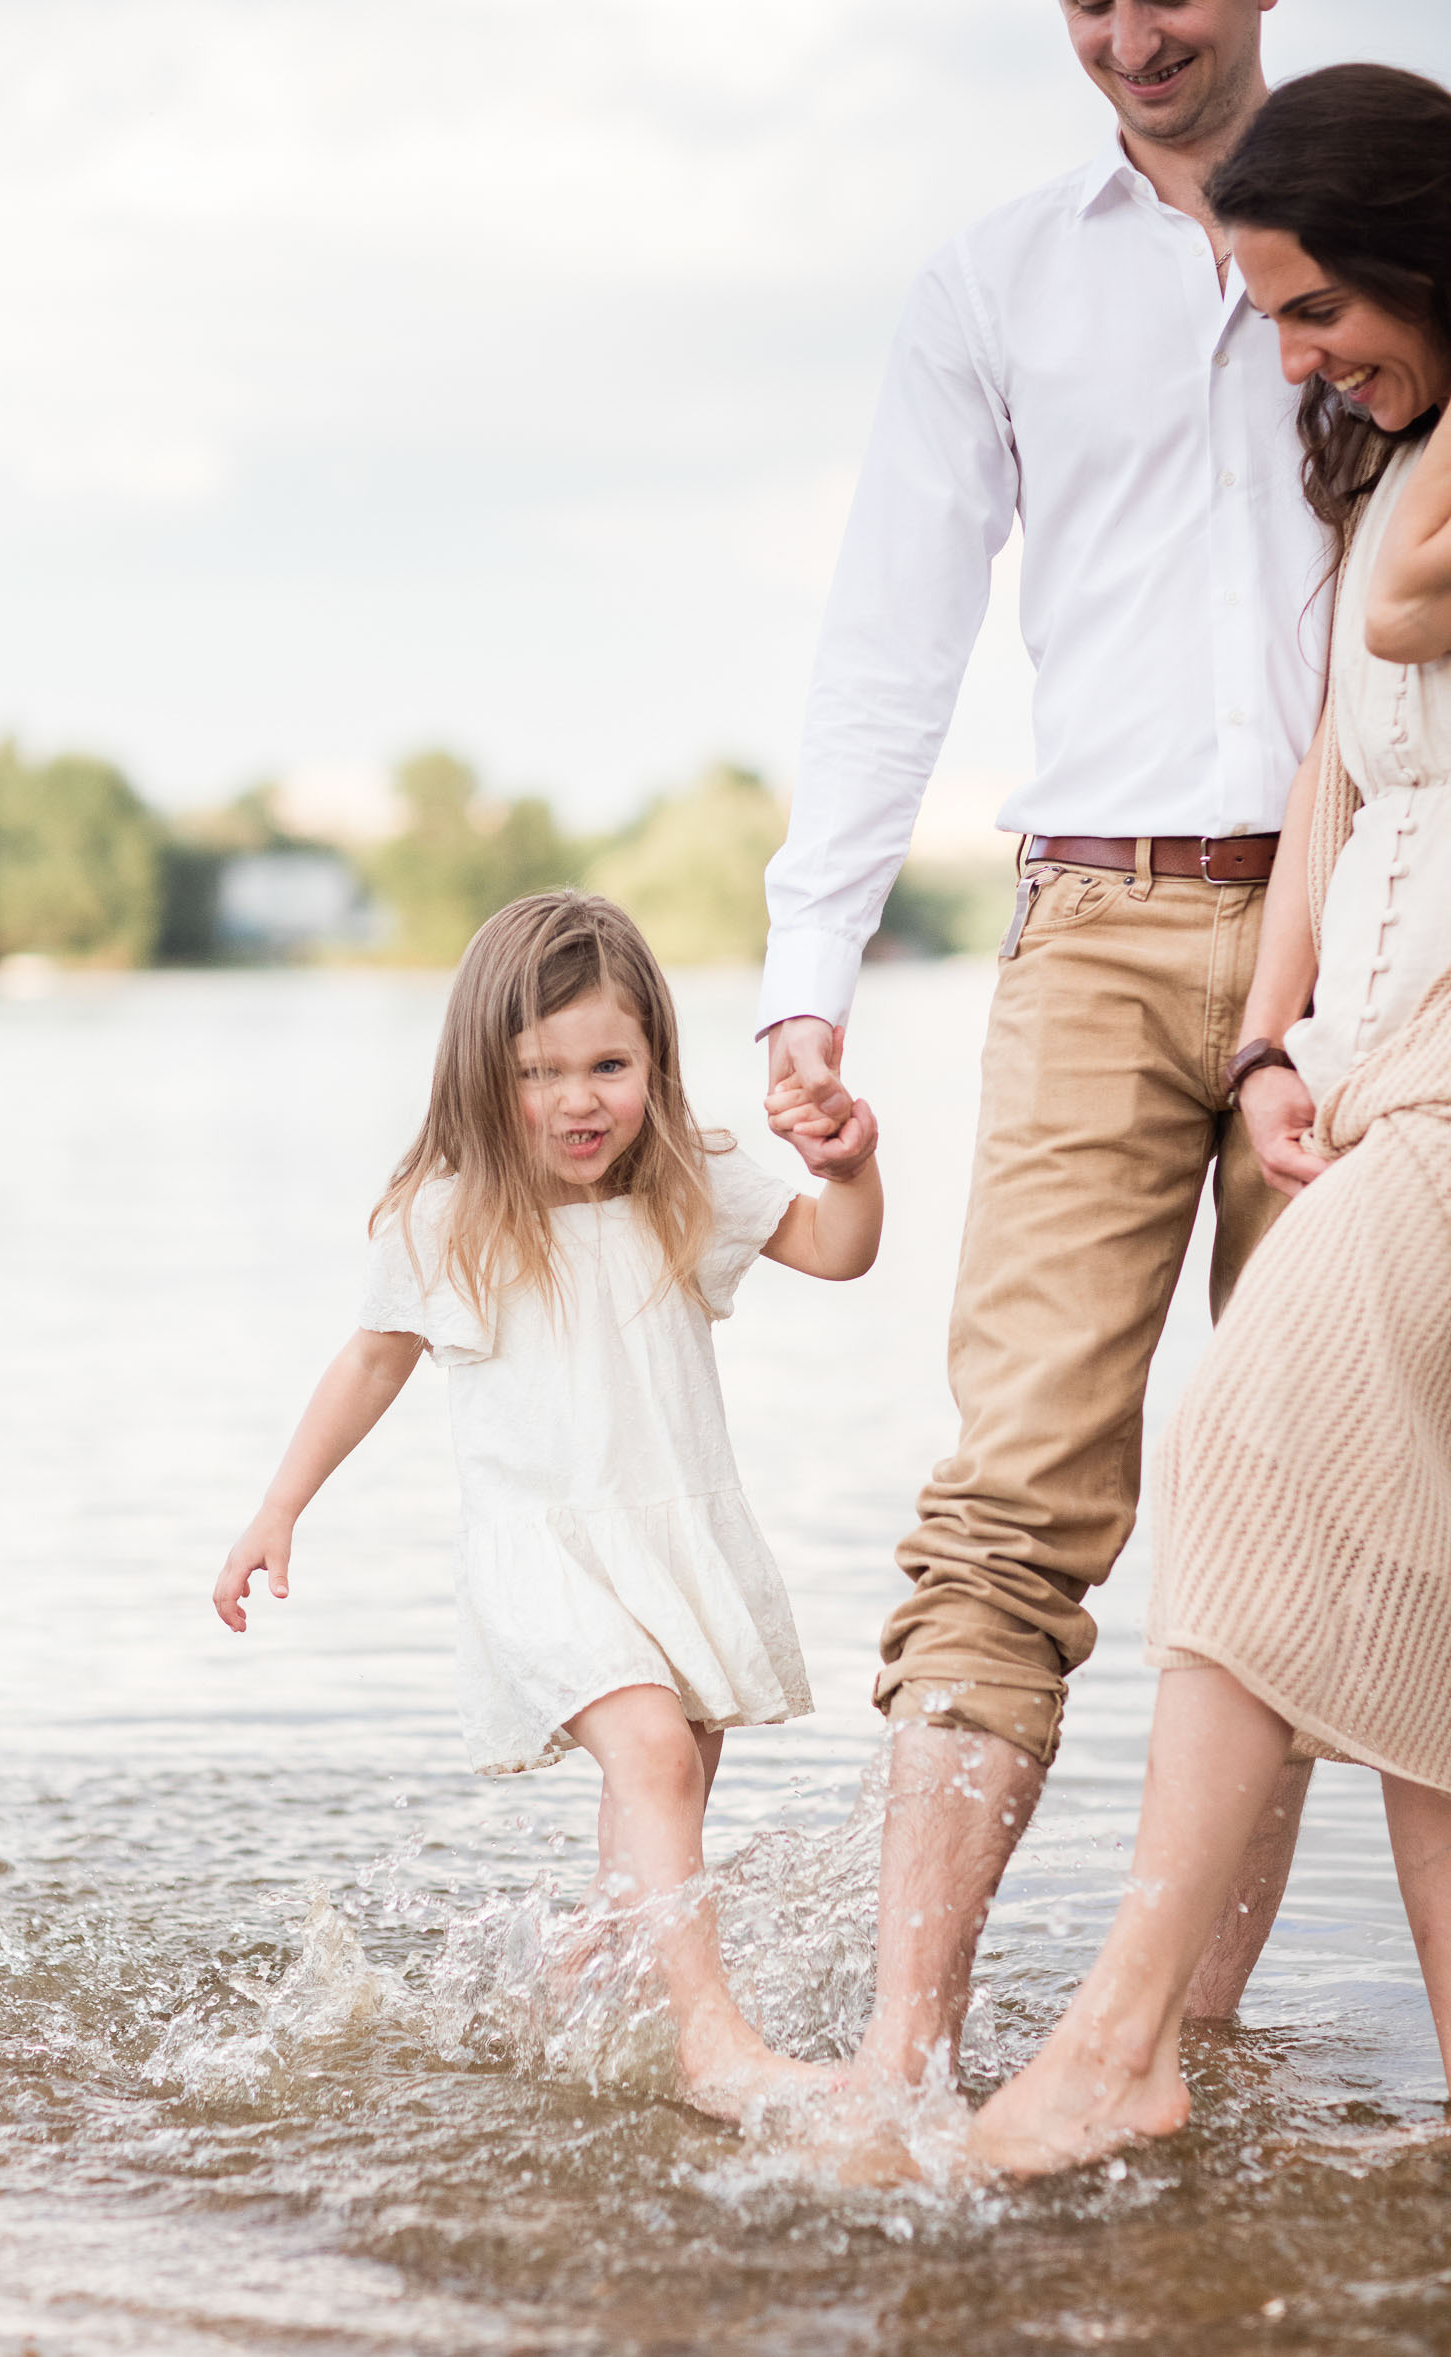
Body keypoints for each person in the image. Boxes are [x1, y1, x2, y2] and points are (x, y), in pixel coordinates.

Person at [760, 0, 1333, 2103]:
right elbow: (889, 633)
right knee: (1009, 1500)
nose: (1124, 33)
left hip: (1364, 937)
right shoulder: (990, 281)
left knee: (1288, 1515)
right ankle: (900, 2064)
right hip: (1087, 920)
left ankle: (1176, 2048)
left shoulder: (1387, 220)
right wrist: (804, 962)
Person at [972, 60, 1451, 2176]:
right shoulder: (1383, 457)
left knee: (1242, 1446)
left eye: (1312, 304)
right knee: (1422, 1592)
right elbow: (1338, 795)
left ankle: (1119, 2036)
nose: (1291, 353)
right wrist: (1272, 1047)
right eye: (1265, 315)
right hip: (1371, 1050)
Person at [211, 890, 883, 2118]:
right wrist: (278, 1508)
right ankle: (709, 2043)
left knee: (664, 1797)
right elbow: (369, 1361)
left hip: (673, 1539)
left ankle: (571, 1993)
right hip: (542, 1557)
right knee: (650, 1756)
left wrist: (853, 1166)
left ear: (654, 1064)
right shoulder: (450, 1215)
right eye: (540, 1073)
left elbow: (840, 1251)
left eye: (609, 1065)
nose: (579, 1100)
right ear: (482, 1076)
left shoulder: (694, 1181)